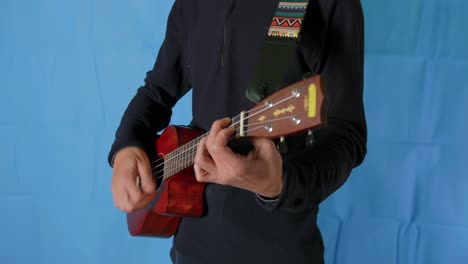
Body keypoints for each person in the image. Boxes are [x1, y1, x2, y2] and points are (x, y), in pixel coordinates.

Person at [109, 0, 367, 263]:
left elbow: (347, 135)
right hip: (190, 249)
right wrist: (125, 146)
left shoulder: (327, 4)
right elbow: (156, 92)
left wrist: (279, 183)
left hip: (279, 250)